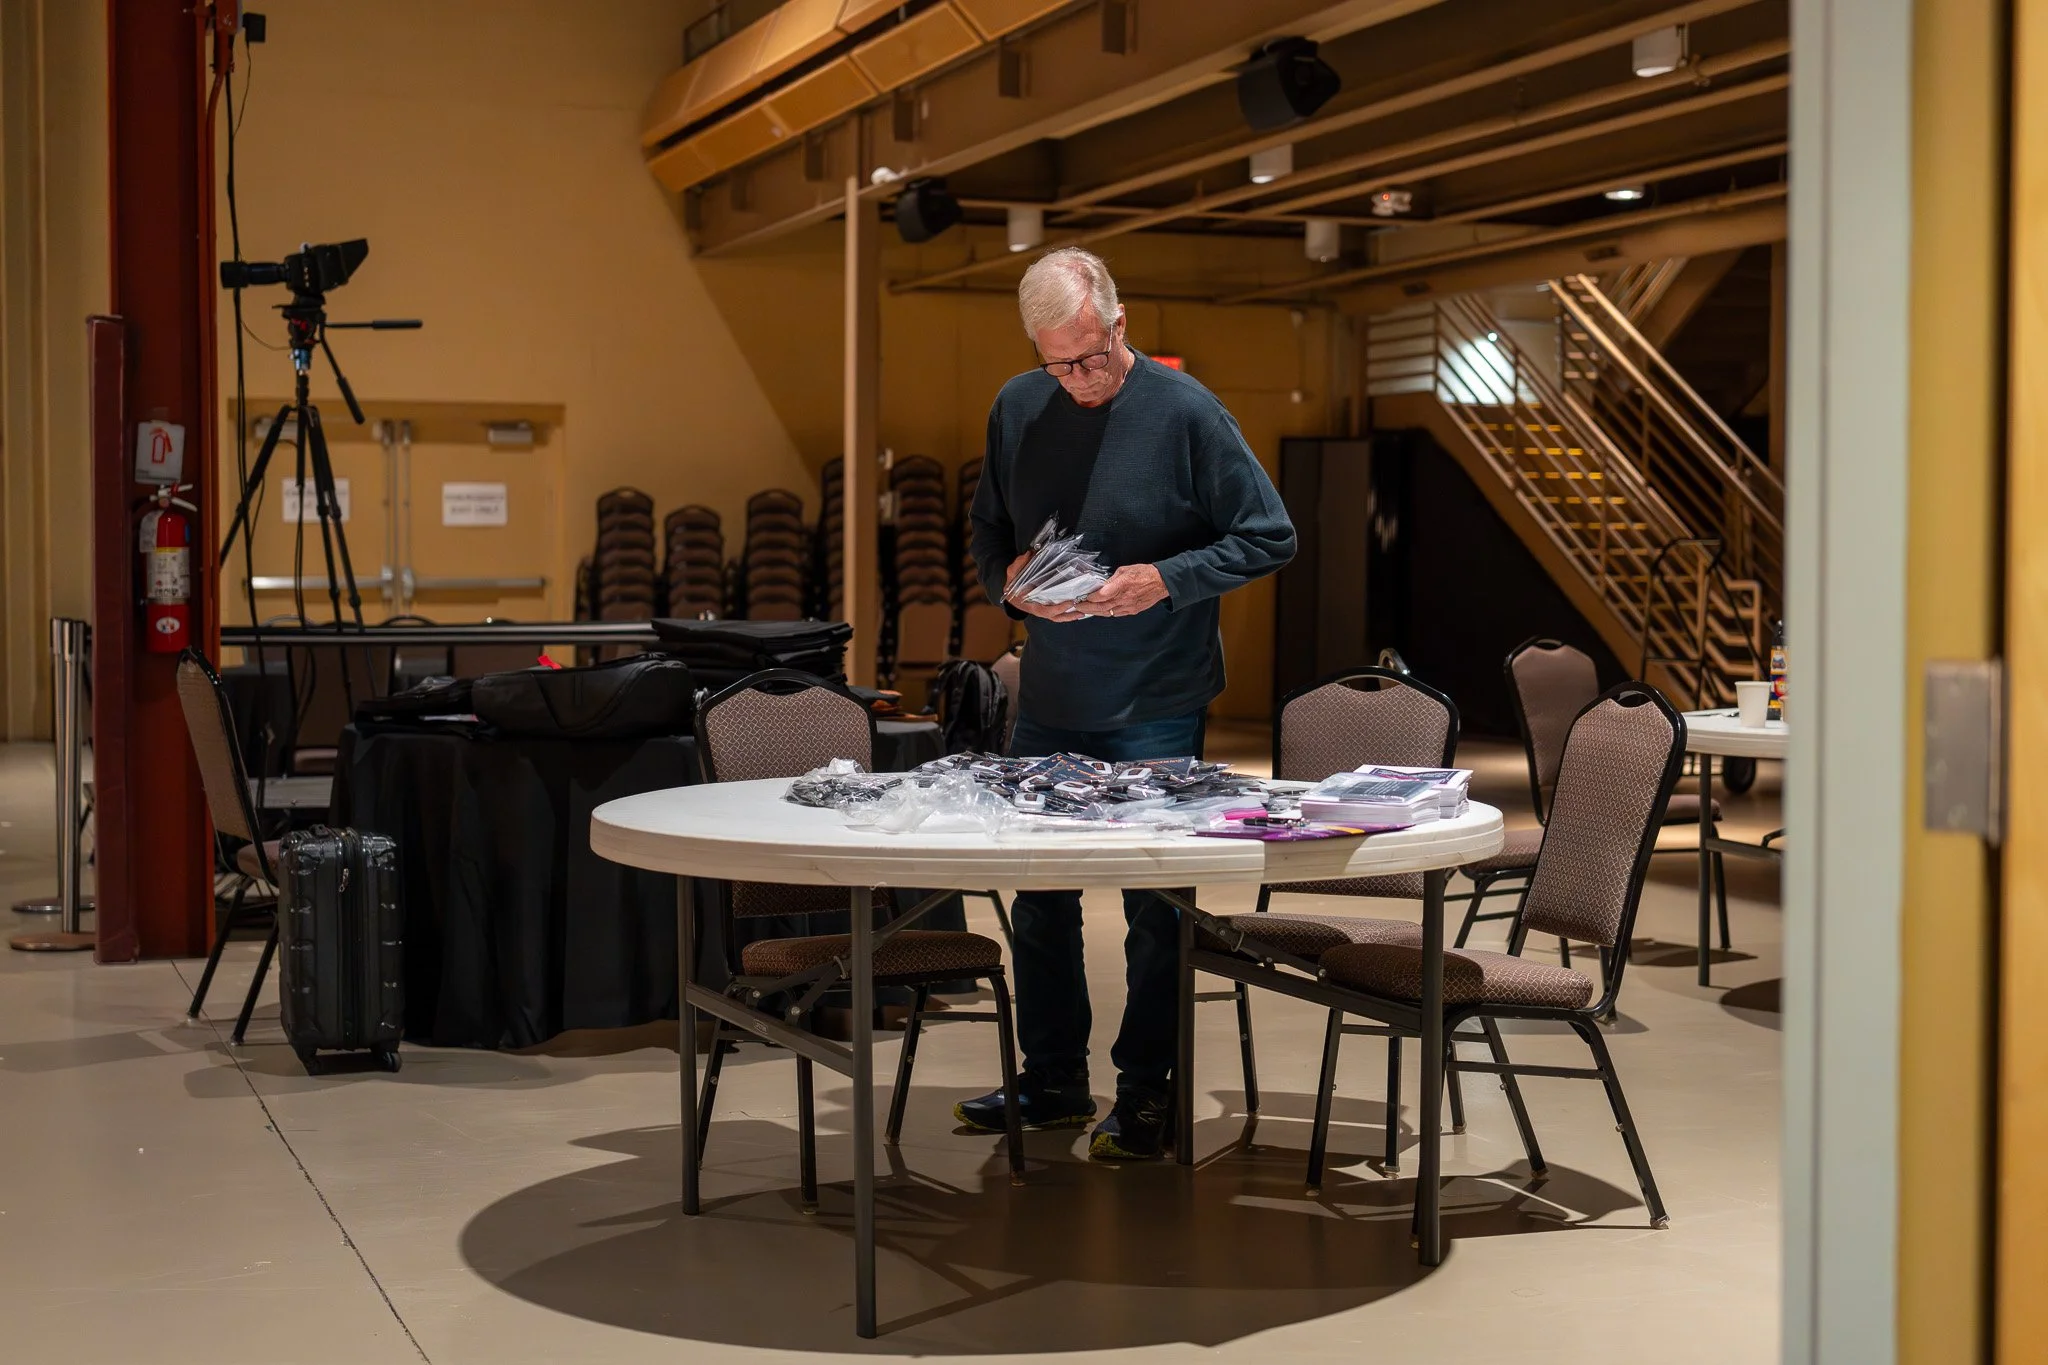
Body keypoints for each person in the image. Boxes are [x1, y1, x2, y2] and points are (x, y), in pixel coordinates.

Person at [954, 247, 1296, 1160]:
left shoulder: (1188, 412)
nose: (1077, 379)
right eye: (1057, 364)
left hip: (1157, 699)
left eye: (1090, 357)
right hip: (1052, 696)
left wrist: (1168, 578)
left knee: (1156, 907)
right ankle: (1053, 1079)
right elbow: (987, 526)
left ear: (1120, 323)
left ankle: (1148, 1094)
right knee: (1039, 900)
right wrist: (1006, 580)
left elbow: (1270, 535)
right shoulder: (1018, 406)